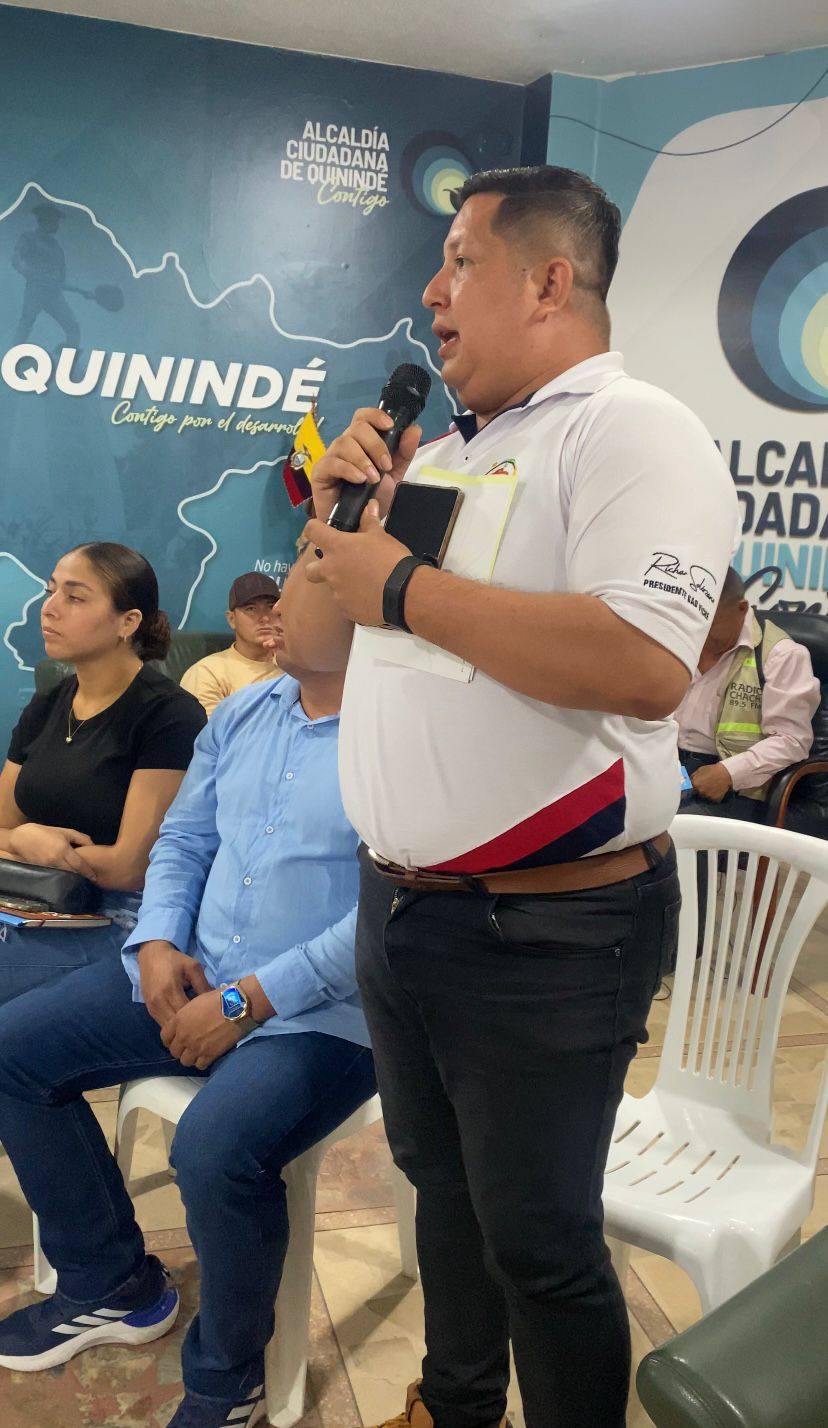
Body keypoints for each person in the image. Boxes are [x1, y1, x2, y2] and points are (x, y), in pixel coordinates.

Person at [298, 164, 739, 1428]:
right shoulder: (445, 454)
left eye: (460, 263)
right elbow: (326, 654)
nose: (431, 293)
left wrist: (399, 585)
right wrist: (335, 528)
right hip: (402, 908)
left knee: (540, 1245)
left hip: (546, 928)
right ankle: (455, 1404)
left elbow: (644, 664)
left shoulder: (633, 430)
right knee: (441, 1190)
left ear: (549, 282)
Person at [0, 556, 375, 1428]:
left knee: (213, 1148)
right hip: (192, 969)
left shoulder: (401, 739)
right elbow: (183, 843)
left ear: (366, 615)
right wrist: (159, 941)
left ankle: (225, 1381)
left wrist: (246, 1002)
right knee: (12, 1054)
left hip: (322, 1015)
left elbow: (387, 917)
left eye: (307, 586)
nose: (275, 608)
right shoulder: (242, 714)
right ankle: (110, 1280)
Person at [0, 542, 205, 1005]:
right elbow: (4, 826)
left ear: (127, 622)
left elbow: (131, 867)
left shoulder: (169, 715)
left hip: (118, 919)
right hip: (31, 901)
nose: (49, 608)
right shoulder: (47, 705)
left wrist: (41, 851)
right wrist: (26, 840)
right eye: (51, 591)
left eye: (75, 597)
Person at [676, 565, 820, 820]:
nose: (699, 635)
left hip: (736, 784)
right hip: (669, 767)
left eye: (709, 624)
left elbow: (792, 740)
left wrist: (728, 773)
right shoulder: (679, 640)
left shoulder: (781, 655)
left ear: (741, 609)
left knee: (666, 827)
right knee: (613, 818)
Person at [180, 572, 282, 716]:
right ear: (232, 619)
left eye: (271, 607)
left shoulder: (295, 667)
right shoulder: (208, 673)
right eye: (251, 609)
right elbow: (209, 730)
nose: (265, 618)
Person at [12, 201, 80, 347]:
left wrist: (62, 283)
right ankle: (10, 355)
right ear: (45, 220)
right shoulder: (29, 238)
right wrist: (31, 273)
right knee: (25, 325)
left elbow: (61, 274)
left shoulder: (56, 247)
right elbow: (17, 260)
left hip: (54, 294)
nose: (57, 225)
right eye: (55, 221)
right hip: (35, 292)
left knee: (73, 328)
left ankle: (65, 358)